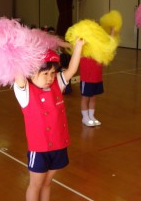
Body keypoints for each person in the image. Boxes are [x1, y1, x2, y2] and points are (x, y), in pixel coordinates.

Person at [14, 39, 84, 201]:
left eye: (52, 73)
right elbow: (18, 74)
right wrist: (17, 52)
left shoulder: (56, 85)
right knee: (36, 185)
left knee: (47, 183)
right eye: (45, 73)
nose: (50, 78)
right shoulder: (24, 91)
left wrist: (79, 47)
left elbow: (72, 70)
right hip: (39, 149)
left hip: (59, 145)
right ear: (31, 73)